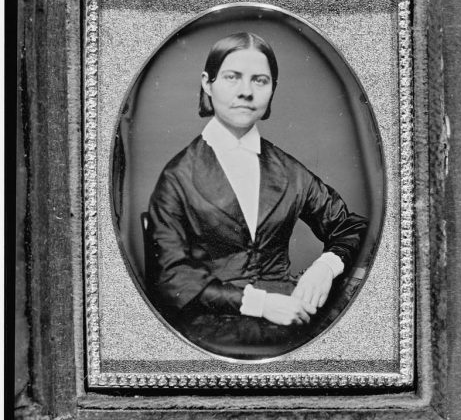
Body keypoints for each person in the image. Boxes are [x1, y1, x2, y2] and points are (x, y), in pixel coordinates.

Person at [146, 32, 368, 359]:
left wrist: (327, 265)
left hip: (293, 317)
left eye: (260, 81)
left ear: (272, 90)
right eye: (233, 77)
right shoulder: (178, 176)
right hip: (210, 328)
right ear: (208, 84)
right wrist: (261, 304)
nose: (246, 92)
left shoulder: (288, 170)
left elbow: (351, 226)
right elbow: (172, 277)